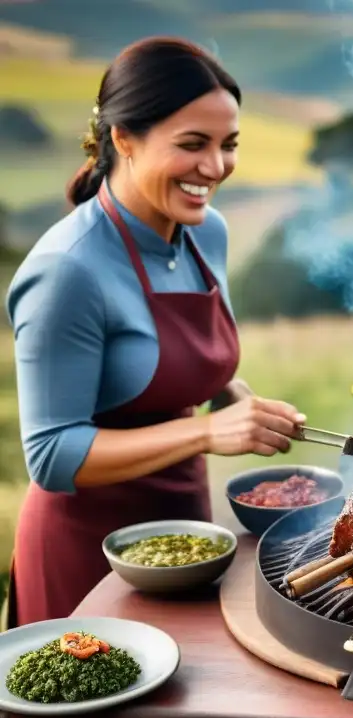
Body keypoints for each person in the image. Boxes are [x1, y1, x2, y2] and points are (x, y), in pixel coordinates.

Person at [4, 37, 306, 627]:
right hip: (86, 551)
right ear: (123, 139)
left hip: (186, 535)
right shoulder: (68, 270)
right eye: (192, 145)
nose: (214, 168)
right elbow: (51, 453)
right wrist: (206, 432)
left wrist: (236, 401)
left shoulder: (205, 231)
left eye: (228, 145)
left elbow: (163, 363)